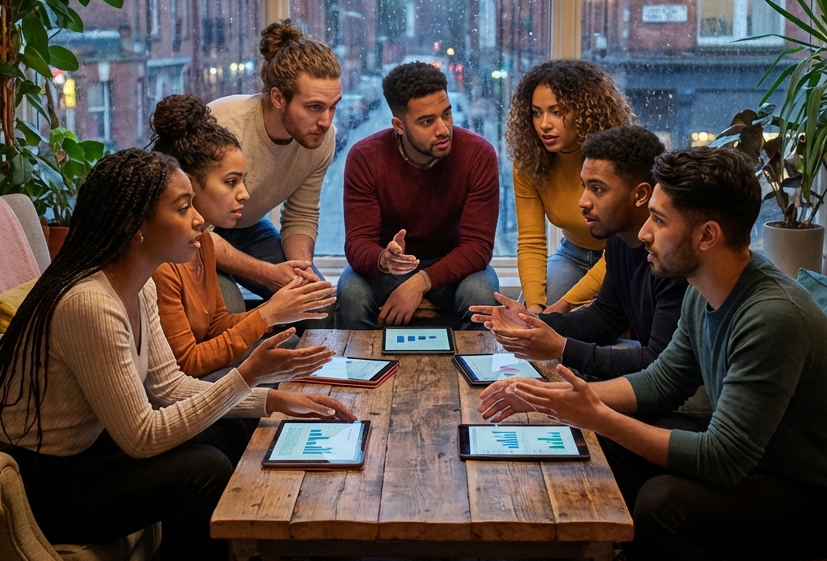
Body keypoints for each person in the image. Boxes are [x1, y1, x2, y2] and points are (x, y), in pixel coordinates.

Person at [480, 147, 827, 561]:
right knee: (615, 443)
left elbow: (722, 459)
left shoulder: (771, 316)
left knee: (664, 505)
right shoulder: (704, 288)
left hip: (824, 502)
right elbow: (661, 382)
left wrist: (597, 414)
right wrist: (558, 403)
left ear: (707, 235)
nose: (645, 234)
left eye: (658, 220)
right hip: (767, 472)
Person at [0, 148, 356, 561]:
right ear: (138, 224)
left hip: (74, 453)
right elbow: (141, 436)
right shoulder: (90, 303)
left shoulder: (138, 283)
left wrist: (270, 400)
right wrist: (248, 376)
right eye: (183, 207)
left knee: (222, 434)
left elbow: (168, 385)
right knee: (204, 465)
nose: (199, 221)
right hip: (27, 480)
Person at [472, 125, 687, 381]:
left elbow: (659, 363)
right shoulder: (620, 241)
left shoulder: (673, 257)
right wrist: (533, 321)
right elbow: (606, 317)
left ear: (640, 195)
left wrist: (561, 349)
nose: (583, 201)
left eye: (597, 189)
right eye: (584, 186)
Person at [149, 94, 337, 379]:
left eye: (243, 181)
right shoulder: (163, 263)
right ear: (186, 182)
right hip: (183, 386)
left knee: (296, 347)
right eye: (230, 182)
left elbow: (217, 325)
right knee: (293, 373)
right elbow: (187, 364)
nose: (245, 194)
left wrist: (281, 311)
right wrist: (268, 314)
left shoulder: (203, 244)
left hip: (201, 366)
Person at [338, 61, 500, 329]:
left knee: (481, 295)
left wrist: (421, 281)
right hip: (391, 268)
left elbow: (478, 247)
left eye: (446, 114)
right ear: (398, 126)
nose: (443, 129)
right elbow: (357, 243)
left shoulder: (478, 154)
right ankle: (361, 371)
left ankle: (475, 371)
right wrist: (383, 260)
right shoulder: (365, 157)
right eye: (426, 121)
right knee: (352, 292)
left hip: (453, 266)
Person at [207, 19, 342, 300]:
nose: (326, 121)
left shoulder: (321, 138)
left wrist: (301, 272)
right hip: (192, 237)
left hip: (244, 227)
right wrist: (268, 275)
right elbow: (190, 229)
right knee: (228, 306)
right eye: (314, 107)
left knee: (316, 303)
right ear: (278, 97)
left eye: (332, 107)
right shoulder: (223, 125)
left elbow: (301, 214)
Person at [506, 60, 636, 313]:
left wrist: (562, 307)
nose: (544, 124)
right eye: (536, 112)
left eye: (557, 112)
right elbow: (531, 241)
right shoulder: (529, 163)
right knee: (536, 320)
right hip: (572, 255)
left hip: (623, 258)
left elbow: (617, 250)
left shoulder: (617, 160)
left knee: (589, 323)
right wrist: (534, 307)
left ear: (587, 112)